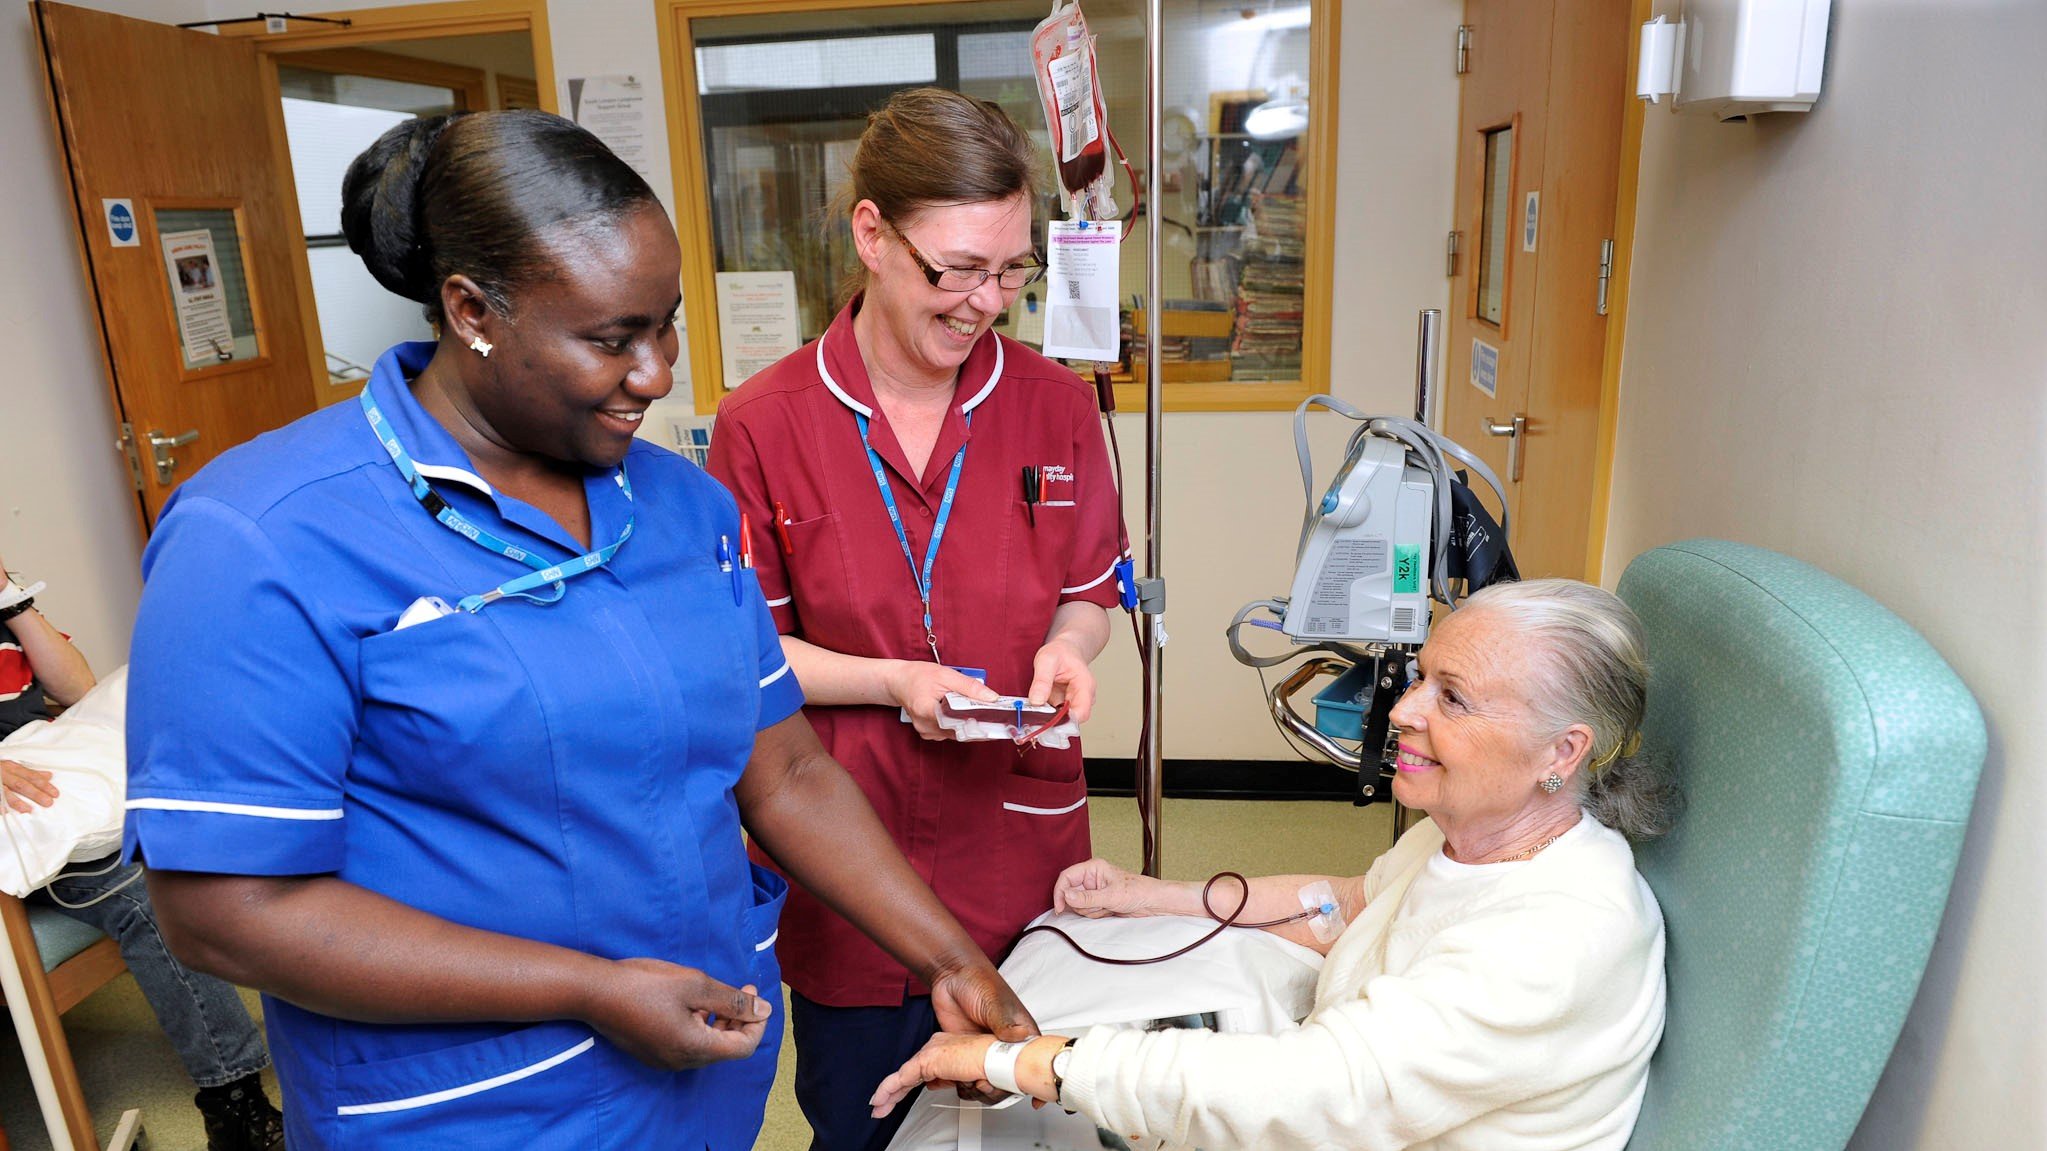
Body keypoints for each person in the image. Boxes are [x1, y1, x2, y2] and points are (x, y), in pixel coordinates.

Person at [123, 110, 1034, 1151]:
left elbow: (782, 772)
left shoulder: (680, 509)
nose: (655, 372)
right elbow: (220, 905)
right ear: (471, 310)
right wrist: (589, 988)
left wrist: (947, 957)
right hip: (471, 1106)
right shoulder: (266, 535)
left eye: (666, 322)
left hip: (701, 1077)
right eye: (610, 338)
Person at [872, 579, 1679, 1151]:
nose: (1401, 710)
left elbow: (1319, 1091)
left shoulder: (1559, 935)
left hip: (1338, 1104)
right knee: (1066, 962)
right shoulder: (1469, 831)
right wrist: (1149, 895)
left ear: (1561, 750)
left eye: (1452, 697)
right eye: (1420, 677)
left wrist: (1029, 1061)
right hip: (1346, 1088)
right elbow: (1350, 907)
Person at [706, 87, 1125, 1151]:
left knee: (1028, 1117)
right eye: (958, 268)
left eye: (1011, 269)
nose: (987, 300)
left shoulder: (1054, 407)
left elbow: (1088, 588)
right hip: (853, 846)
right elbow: (751, 658)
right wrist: (893, 680)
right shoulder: (764, 425)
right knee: (866, 1119)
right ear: (871, 235)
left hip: (1017, 847)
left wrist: (1067, 649)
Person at [0, 561, 284, 1151]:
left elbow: (78, 691)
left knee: (214, 845)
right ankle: (235, 1104)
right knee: (151, 900)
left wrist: (14, 601)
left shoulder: (8, 612)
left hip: (60, 772)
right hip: (27, 818)